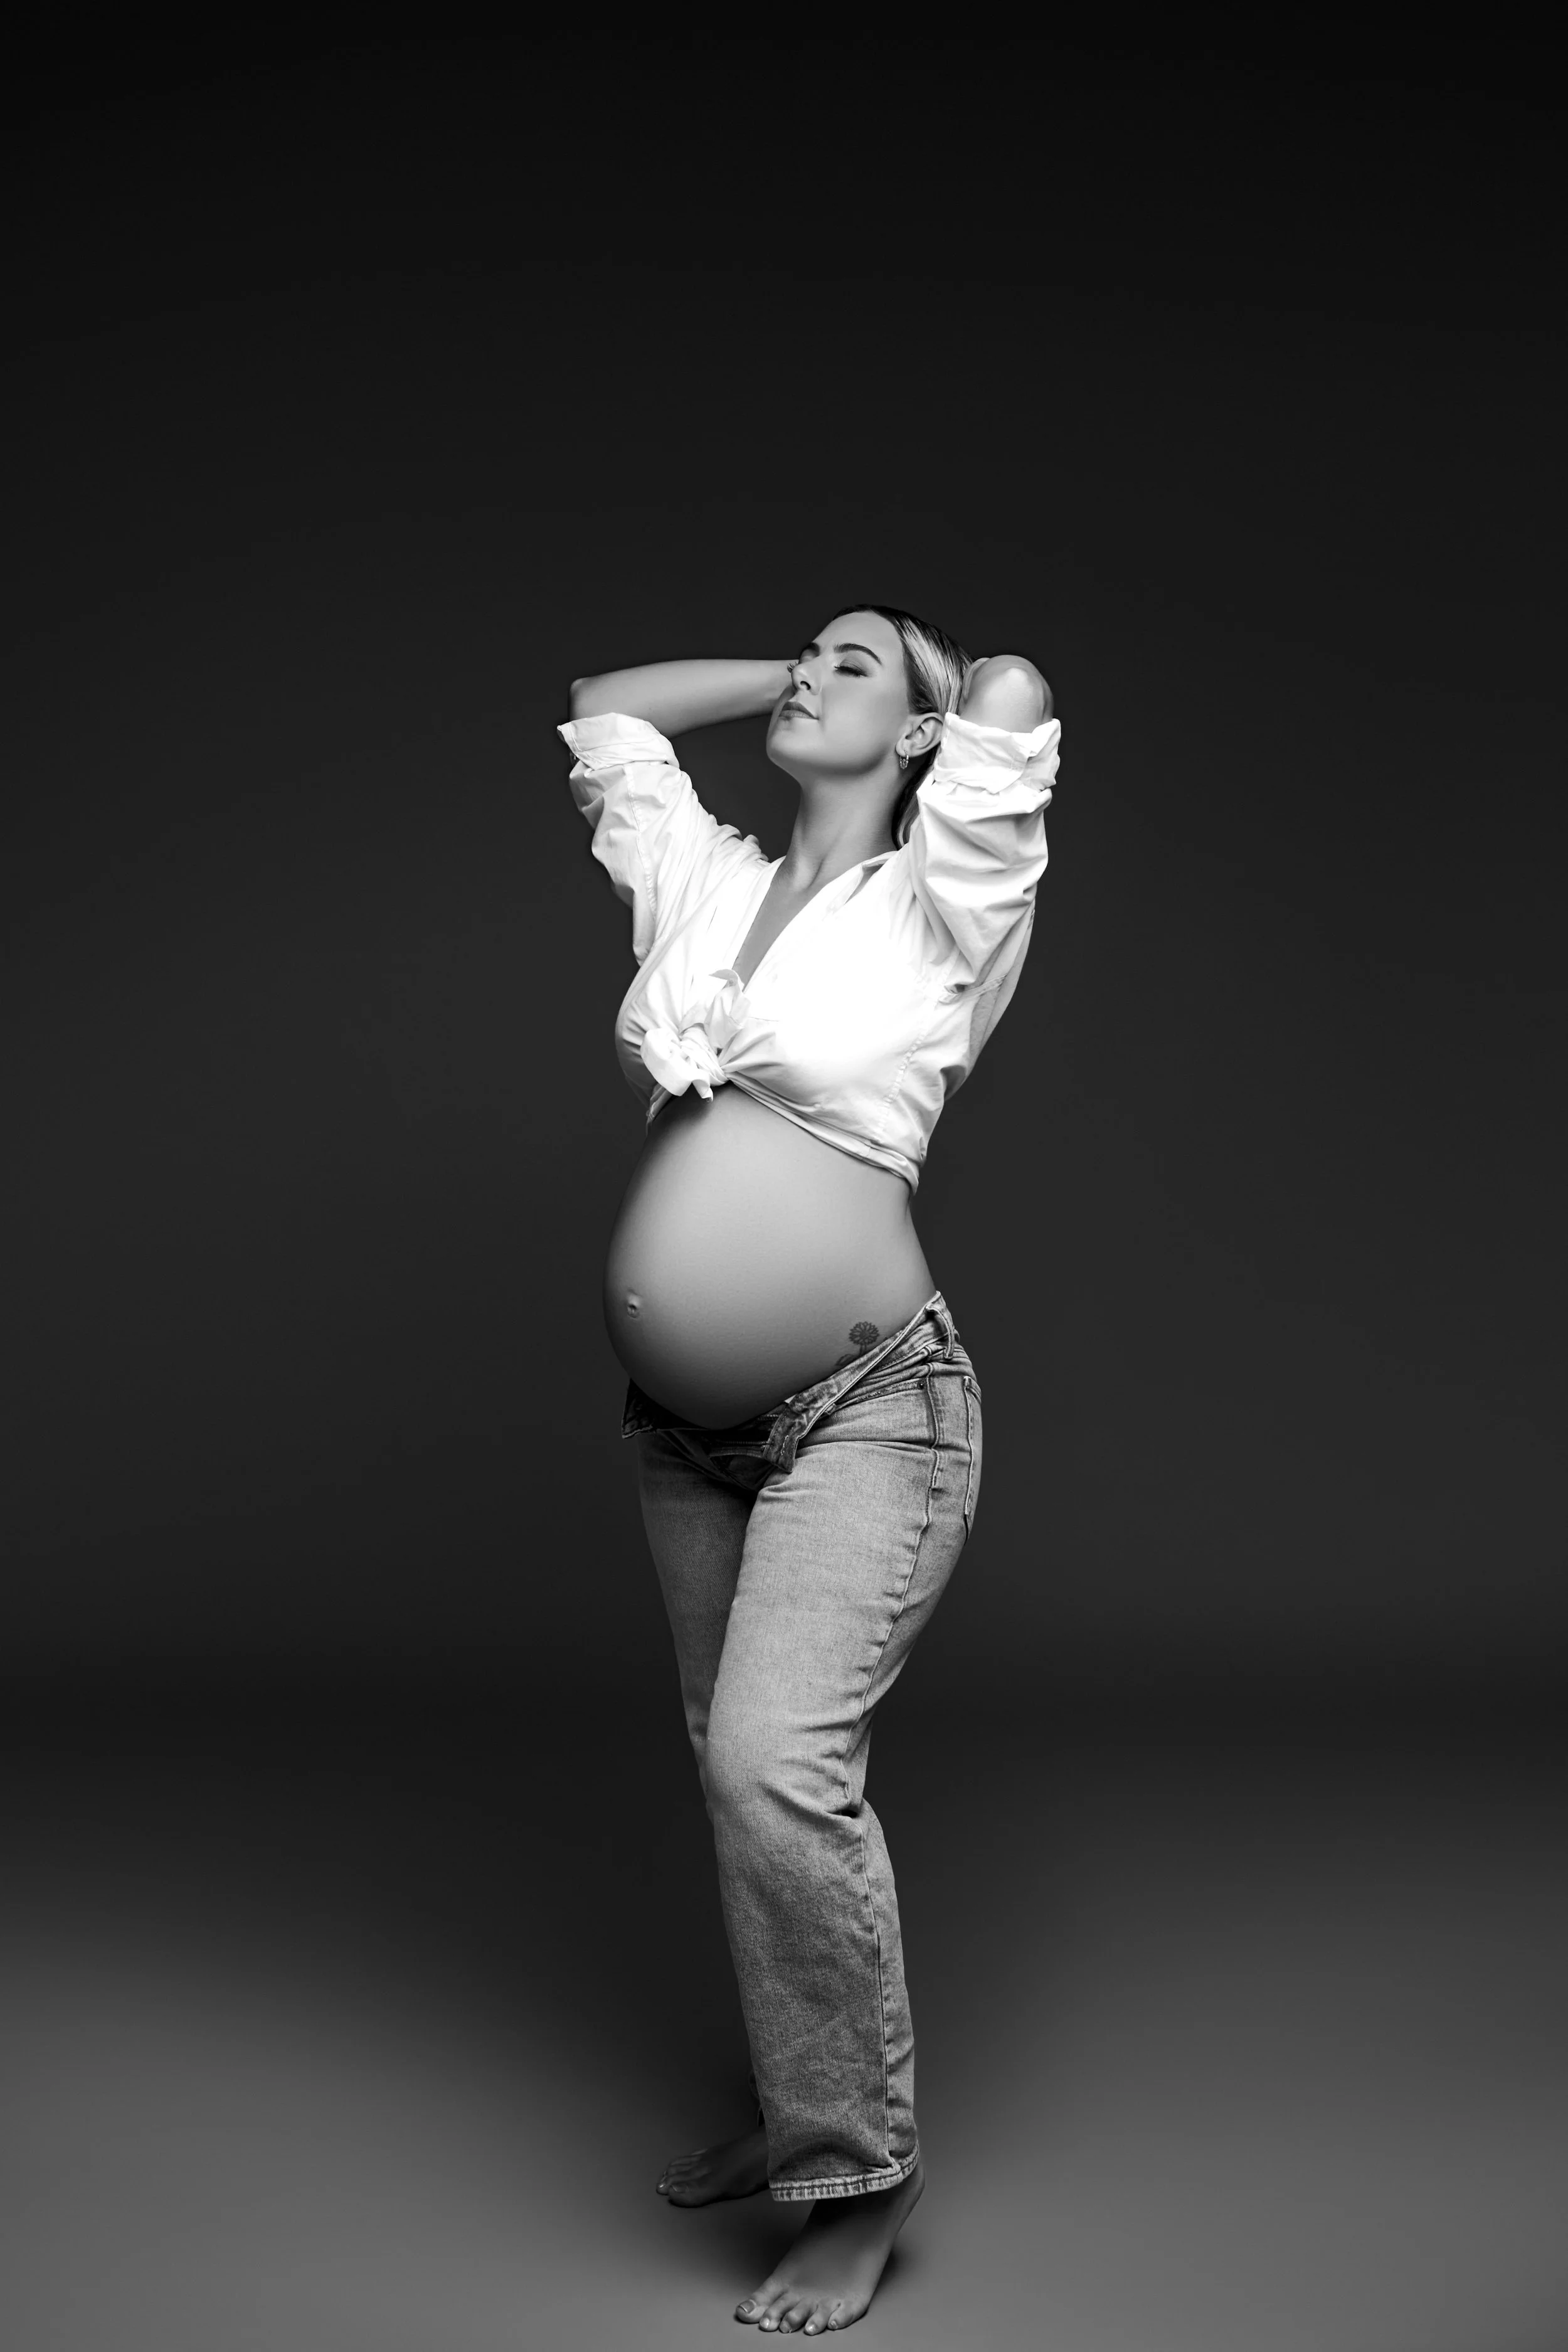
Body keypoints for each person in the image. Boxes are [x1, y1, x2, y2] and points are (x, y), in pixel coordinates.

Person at [561, 607, 1059, 2333]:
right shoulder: (701, 884)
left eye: (859, 670)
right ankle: (800, 2112)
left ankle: (860, 2173)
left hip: (868, 1411)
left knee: (779, 1763)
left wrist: (943, 677)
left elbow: (1009, 703)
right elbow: (608, 708)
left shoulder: (945, 905)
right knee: (732, 1772)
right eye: (804, 659)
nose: (808, 679)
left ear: (921, 735)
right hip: (683, 1435)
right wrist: (813, 653)